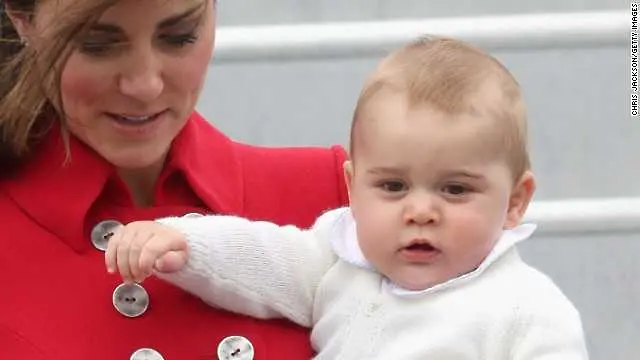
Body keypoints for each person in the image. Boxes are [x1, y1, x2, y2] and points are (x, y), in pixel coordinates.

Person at [106, 36, 589, 359]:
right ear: (353, 187)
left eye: (455, 189)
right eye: (393, 186)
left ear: (515, 202)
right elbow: (265, 259)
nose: (420, 211)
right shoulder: (342, 260)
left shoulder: (528, 308)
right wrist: (181, 241)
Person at [0, 0, 348, 359]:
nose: (145, 85)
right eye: (96, 45)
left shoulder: (348, 201)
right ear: (22, 20)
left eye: (179, 37)